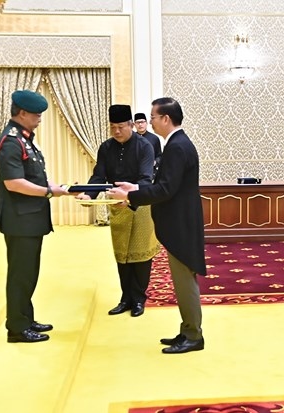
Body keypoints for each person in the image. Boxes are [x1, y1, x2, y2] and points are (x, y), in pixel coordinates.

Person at [107, 97, 206, 354]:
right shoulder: (176, 144)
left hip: (180, 225)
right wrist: (136, 187)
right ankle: (187, 330)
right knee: (182, 280)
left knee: (185, 282)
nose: (149, 121)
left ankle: (194, 336)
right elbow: (166, 185)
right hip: (180, 223)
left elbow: (166, 189)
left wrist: (130, 196)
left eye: (153, 116)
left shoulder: (176, 147)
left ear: (165, 119)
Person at [0, 90, 71, 343]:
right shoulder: (11, 141)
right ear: (22, 113)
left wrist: (56, 186)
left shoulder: (25, 139)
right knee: (20, 275)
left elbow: (34, 175)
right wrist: (50, 192)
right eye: (36, 114)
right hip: (20, 220)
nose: (39, 118)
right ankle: (17, 327)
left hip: (30, 218)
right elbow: (14, 183)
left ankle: (26, 317)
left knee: (29, 272)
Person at [77, 105, 160, 317]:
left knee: (140, 254)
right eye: (112, 127)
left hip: (140, 204)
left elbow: (145, 178)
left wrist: (131, 198)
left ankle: (139, 299)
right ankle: (126, 298)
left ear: (131, 125)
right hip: (116, 204)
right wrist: (89, 194)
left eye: (121, 126)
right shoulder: (106, 148)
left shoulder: (145, 146)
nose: (116, 131)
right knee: (122, 253)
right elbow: (99, 176)